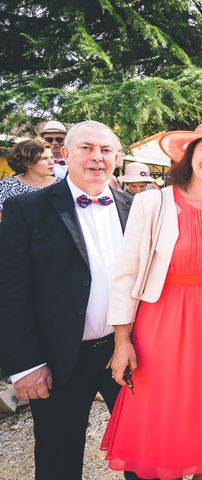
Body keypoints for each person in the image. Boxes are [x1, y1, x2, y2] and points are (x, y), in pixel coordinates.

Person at [101, 121, 202, 480]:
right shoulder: (152, 202)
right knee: (162, 412)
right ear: (188, 155)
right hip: (165, 321)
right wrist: (122, 340)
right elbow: (126, 275)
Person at [0, 121, 135, 480]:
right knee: (58, 457)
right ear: (64, 154)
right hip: (59, 357)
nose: (97, 157)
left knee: (142, 452)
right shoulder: (27, 210)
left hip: (127, 352)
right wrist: (25, 364)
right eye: (86, 148)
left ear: (117, 158)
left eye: (105, 150)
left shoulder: (136, 208)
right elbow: (10, 291)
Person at [0, 138, 59, 221]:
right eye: (44, 158)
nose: (51, 162)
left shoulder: (62, 185)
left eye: (52, 157)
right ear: (28, 162)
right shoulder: (5, 186)